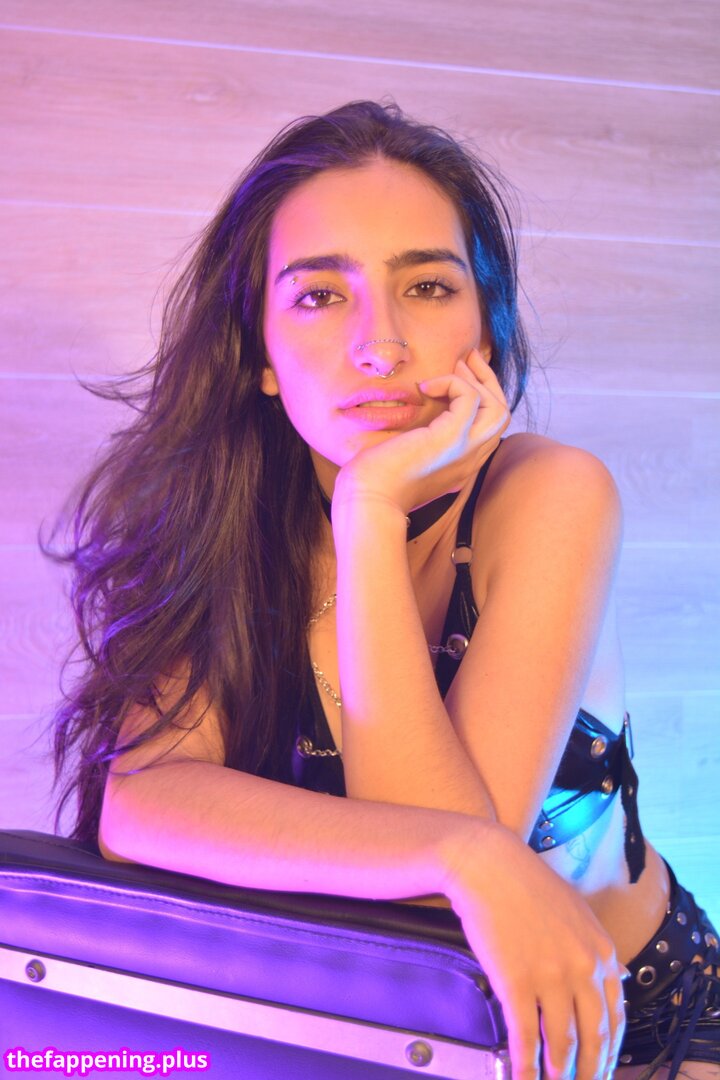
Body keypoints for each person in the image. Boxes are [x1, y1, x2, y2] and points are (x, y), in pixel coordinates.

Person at [49, 100, 719, 1079]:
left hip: (631, 1027)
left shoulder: (548, 495)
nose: (382, 345)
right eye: (321, 296)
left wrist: (366, 513)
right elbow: (144, 801)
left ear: (484, 326)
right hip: (397, 1031)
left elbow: (436, 905)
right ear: (260, 354)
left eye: (429, 287)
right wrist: (465, 855)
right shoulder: (231, 525)